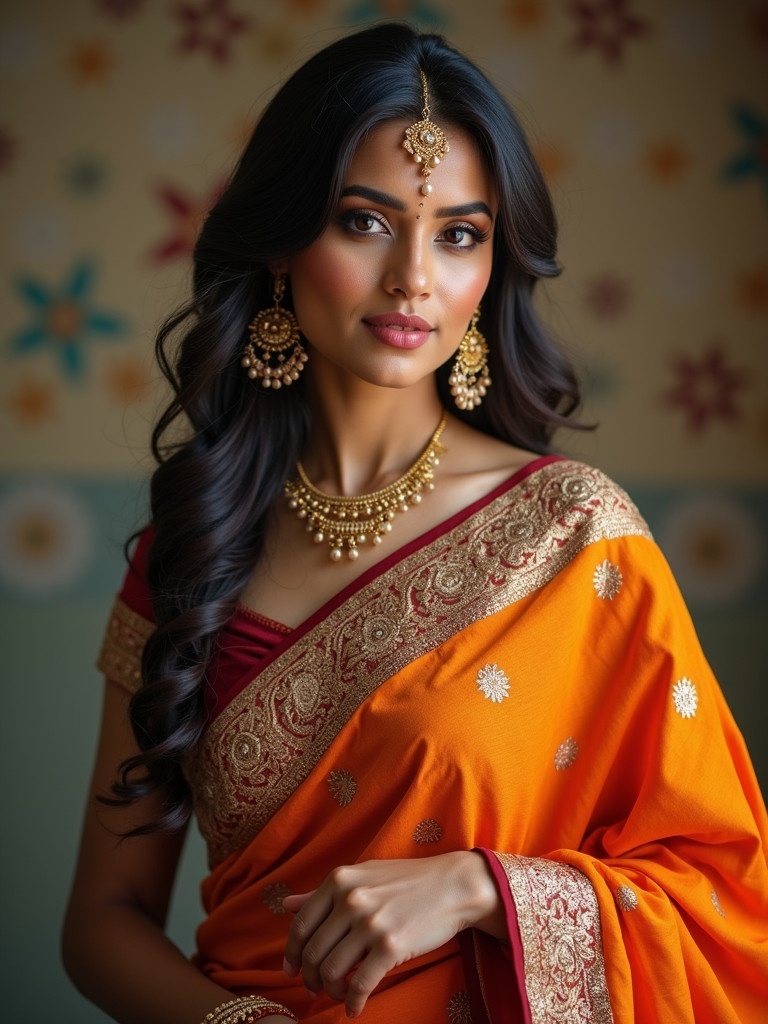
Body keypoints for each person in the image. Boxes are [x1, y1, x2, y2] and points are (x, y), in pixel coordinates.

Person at [62, 21, 768, 1024]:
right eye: (365, 221)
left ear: (491, 265)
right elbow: (103, 919)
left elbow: (730, 901)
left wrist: (482, 888)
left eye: (459, 234)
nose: (413, 281)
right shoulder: (194, 545)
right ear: (282, 245)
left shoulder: (573, 538)